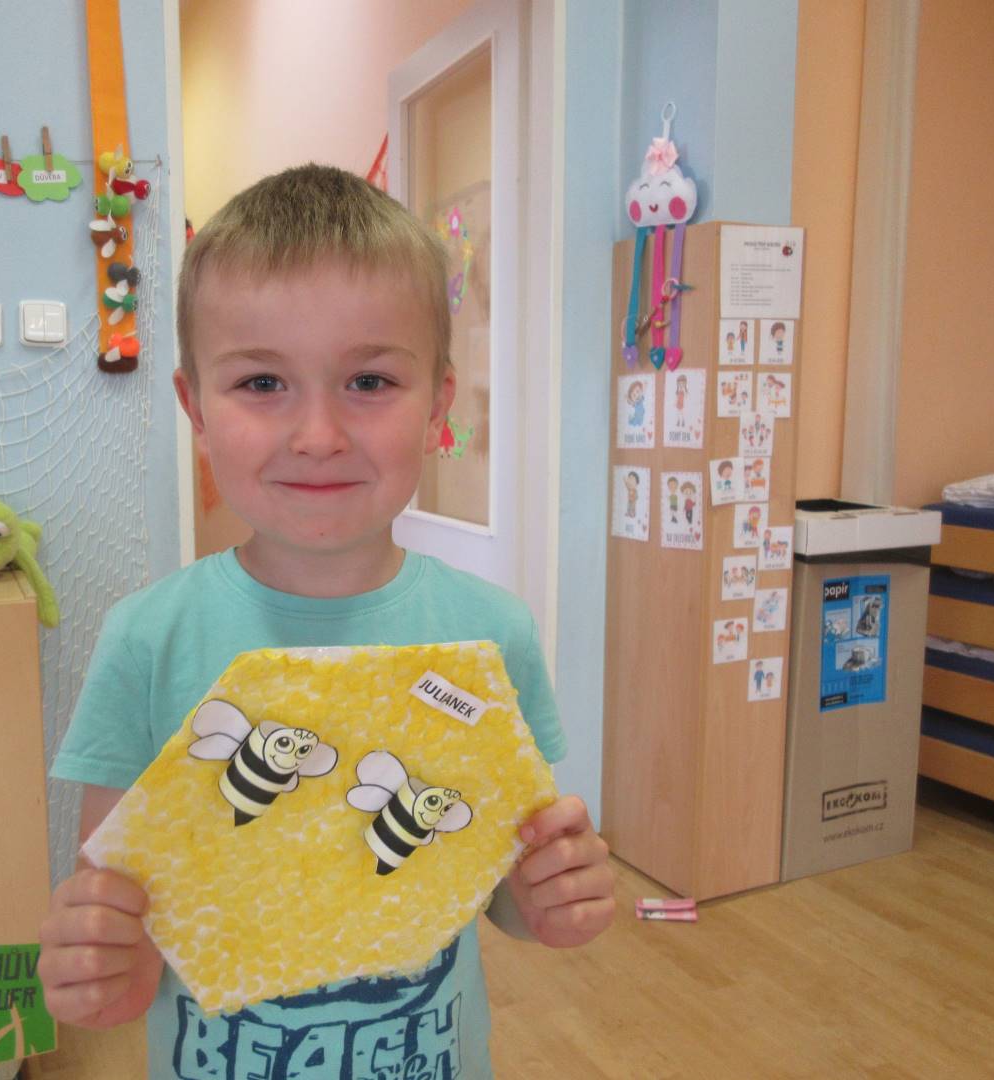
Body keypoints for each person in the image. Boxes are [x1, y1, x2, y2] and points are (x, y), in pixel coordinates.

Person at [38, 164, 616, 1078]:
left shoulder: (490, 636)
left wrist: (552, 897)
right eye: (262, 381)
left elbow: (499, 891)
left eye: (370, 380)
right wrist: (97, 965)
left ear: (438, 405)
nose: (317, 435)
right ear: (195, 408)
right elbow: (122, 928)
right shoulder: (148, 641)